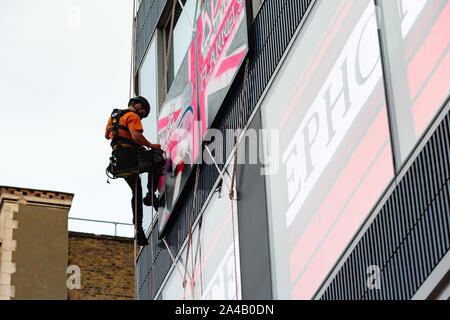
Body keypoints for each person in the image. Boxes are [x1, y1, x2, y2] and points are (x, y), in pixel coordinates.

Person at [105, 96, 162, 246]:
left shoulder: (114, 117)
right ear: (137, 105)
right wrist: (151, 145)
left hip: (119, 164)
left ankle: (138, 229)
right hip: (131, 158)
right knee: (157, 159)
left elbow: (107, 135)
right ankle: (151, 193)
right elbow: (136, 137)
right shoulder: (132, 116)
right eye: (143, 112)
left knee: (136, 190)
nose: (142, 116)